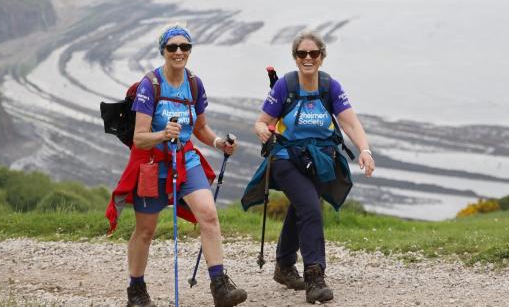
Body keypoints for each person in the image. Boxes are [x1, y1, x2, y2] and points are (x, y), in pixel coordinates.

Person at [106, 25, 247, 307]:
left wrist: (220, 143)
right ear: (163, 51)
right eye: (173, 47)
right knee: (145, 230)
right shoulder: (151, 85)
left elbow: (201, 128)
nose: (179, 52)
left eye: (185, 47)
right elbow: (139, 138)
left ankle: (220, 287)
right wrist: (162, 134)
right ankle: (136, 290)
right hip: (151, 163)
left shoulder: (194, 84)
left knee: (208, 214)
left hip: (185, 158)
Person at [244, 30, 375, 304]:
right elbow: (261, 121)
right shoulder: (285, 86)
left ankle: (283, 265)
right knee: (311, 209)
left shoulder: (330, 87)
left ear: (321, 57)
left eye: (313, 54)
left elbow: (350, 122)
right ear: (295, 58)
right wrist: (262, 131)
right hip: (286, 159)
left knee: (303, 208)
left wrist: (364, 150)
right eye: (301, 54)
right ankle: (315, 278)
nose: (307, 58)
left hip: (318, 161)